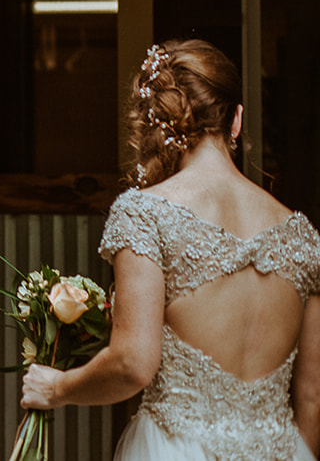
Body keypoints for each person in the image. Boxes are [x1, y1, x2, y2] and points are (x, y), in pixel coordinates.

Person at [20, 39, 320, 460]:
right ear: (236, 121)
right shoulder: (303, 235)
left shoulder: (145, 215)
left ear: (160, 124)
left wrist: (56, 388)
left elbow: (133, 363)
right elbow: (312, 397)